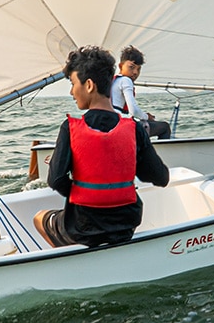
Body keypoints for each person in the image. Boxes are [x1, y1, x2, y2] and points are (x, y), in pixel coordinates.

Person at [35, 45, 169, 248]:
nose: (71, 92)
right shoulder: (134, 128)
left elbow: (55, 180)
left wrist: (85, 194)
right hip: (125, 227)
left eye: (73, 83)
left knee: (39, 217)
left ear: (89, 85)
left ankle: (72, 261)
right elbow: (160, 177)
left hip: (83, 228)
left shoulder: (69, 128)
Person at [110, 45, 173, 139]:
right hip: (122, 127)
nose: (135, 72)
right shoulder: (126, 81)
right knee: (164, 127)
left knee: (147, 124)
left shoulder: (114, 80)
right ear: (120, 66)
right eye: (131, 67)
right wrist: (147, 117)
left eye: (138, 69)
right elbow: (133, 110)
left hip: (112, 124)